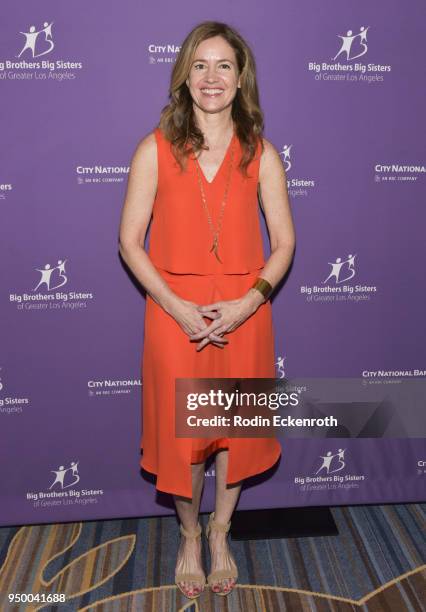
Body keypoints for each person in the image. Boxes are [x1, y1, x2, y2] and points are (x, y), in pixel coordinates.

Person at [118, 21, 295, 600]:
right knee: (186, 441)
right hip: (176, 318)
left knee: (234, 433)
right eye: (200, 65)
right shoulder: (154, 148)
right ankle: (190, 535)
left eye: (223, 65)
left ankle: (222, 532)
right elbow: (129, 241)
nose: (211, 77)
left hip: (244, 314)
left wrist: (248, 304)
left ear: (240, 77)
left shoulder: (262, 153)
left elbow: (285, 243)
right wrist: (174, 306)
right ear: (184, 76)